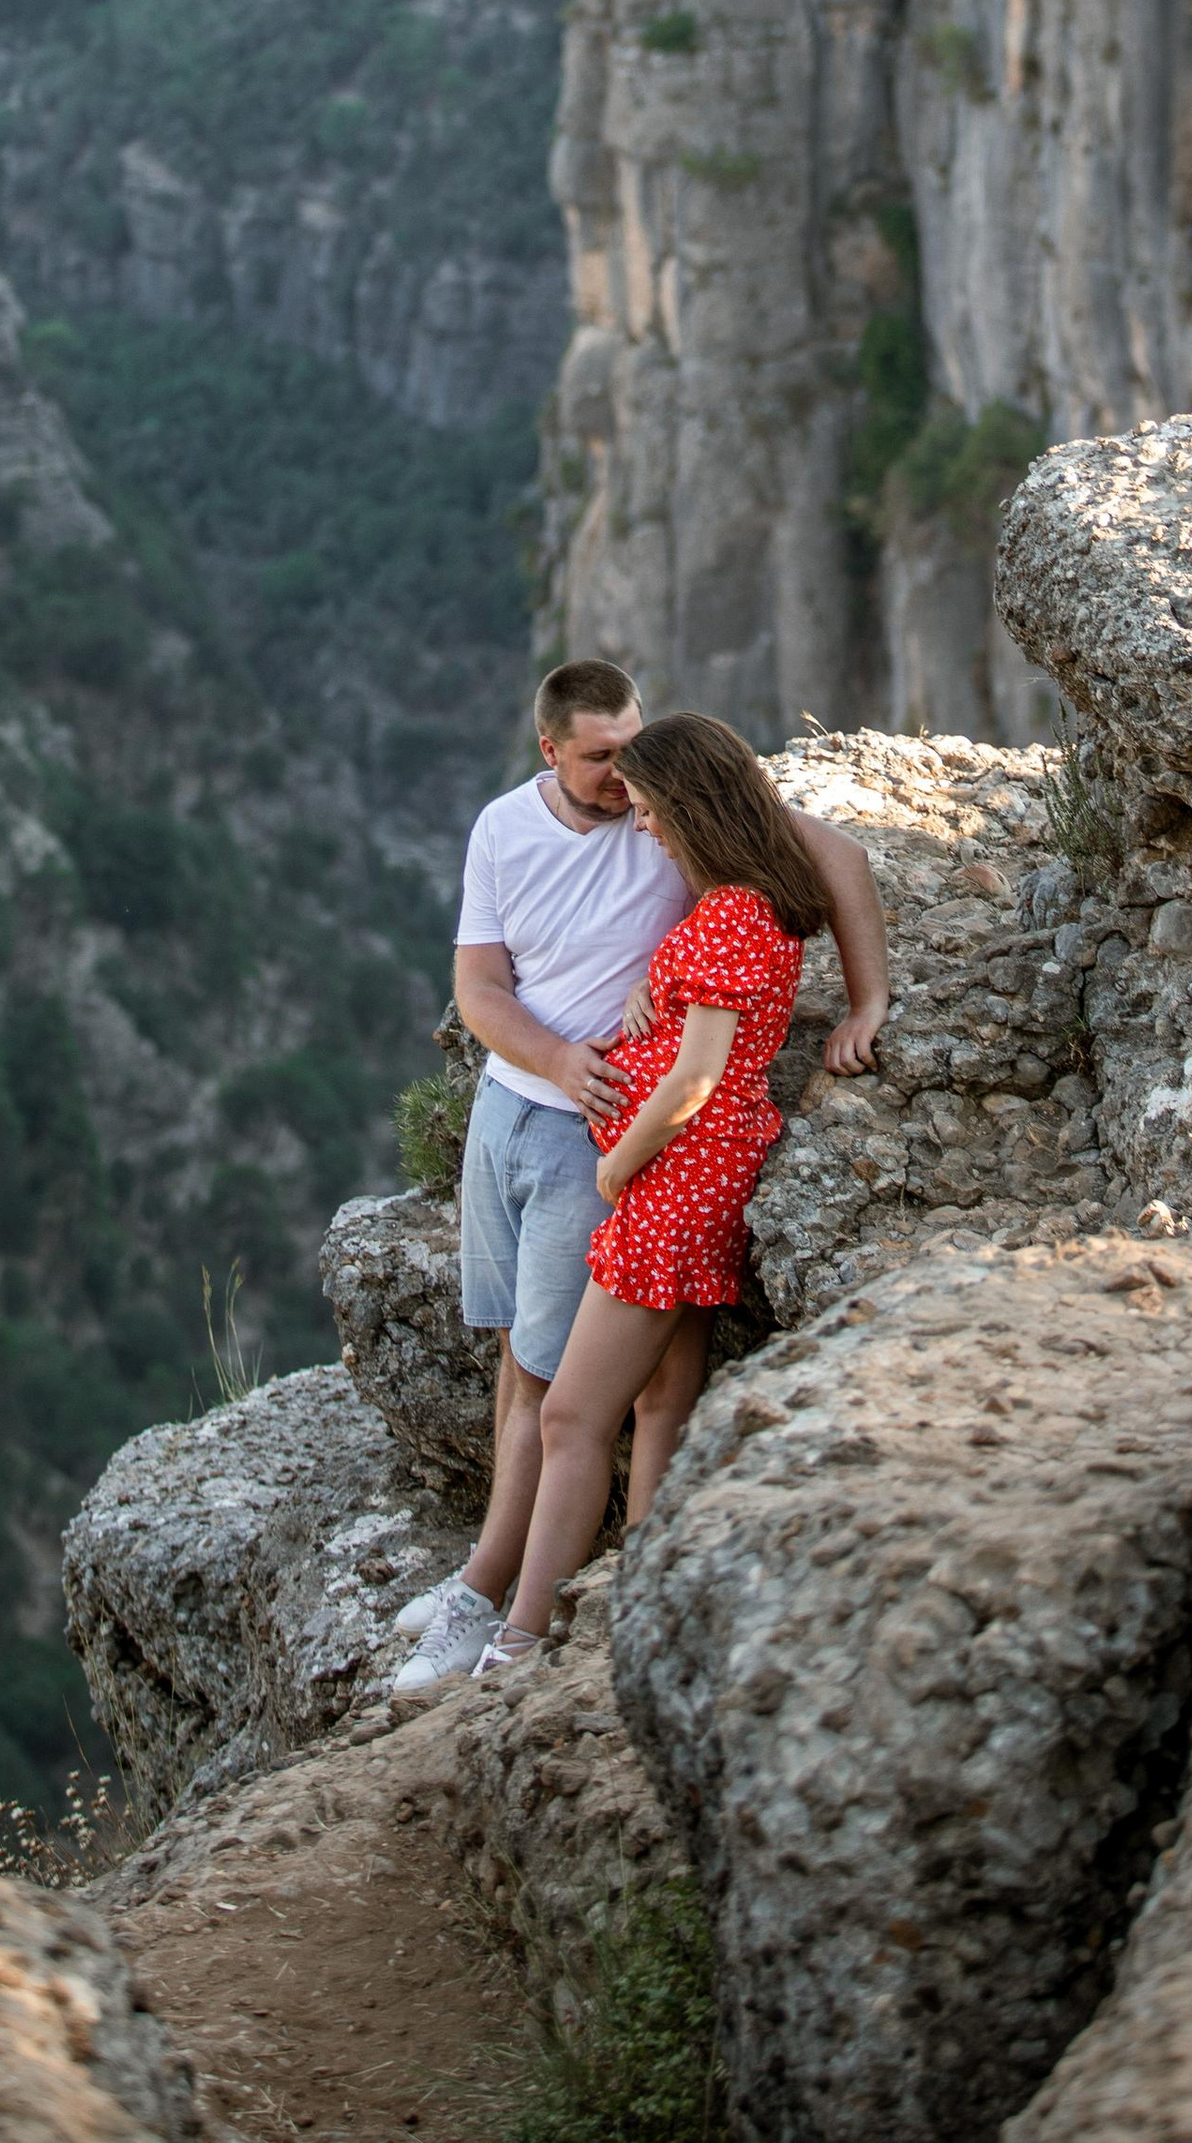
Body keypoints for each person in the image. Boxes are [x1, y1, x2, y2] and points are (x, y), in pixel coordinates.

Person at [391, 664, 888, 1694]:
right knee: (617, 1385)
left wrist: (866, 1005)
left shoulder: (716, 891)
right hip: (545, 1118)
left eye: (641, 767)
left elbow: (709, 1059)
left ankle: (516, 1627)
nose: (630, 797)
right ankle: (605, 1596)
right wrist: (615, 1020)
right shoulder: (515, 832)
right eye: (603, 760)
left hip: (652, 1162)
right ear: (552, 751)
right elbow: (479, 985)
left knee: (565, 1399)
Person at [470, 710, 831, 1676]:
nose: (644, 828)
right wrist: (653, 995)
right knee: (664, 1403)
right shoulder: (754, 903)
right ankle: (644, 1599)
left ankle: (524, 1634)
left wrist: (619, 1162)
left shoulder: (729, 916)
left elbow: (695, 1079)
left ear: (696, 807)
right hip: (705, 1176)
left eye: (656, 811)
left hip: (672, 1180)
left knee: (571, 1417)